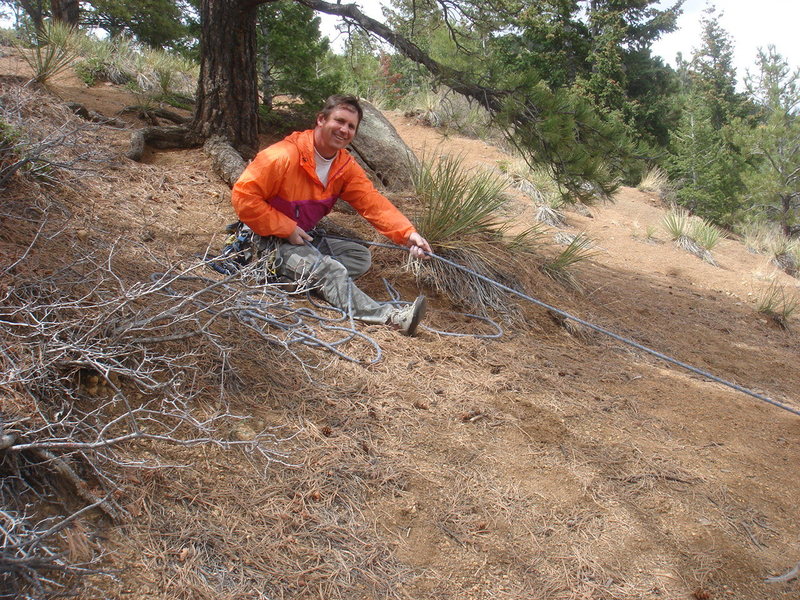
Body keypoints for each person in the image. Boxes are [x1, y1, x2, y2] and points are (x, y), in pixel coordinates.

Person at [232, 95, 432, 336]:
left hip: (303, 239)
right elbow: (244, 197)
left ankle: (297, 281)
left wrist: (407, 234)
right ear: (320, 120)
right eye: (339, 121)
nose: (344, 129)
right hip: (266, 242)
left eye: (351, 126)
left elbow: (372, 202)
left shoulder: (343, 167)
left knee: (359, 257)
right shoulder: (282, 155)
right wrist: (286, 228)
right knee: (331, 271)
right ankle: (391, 318)